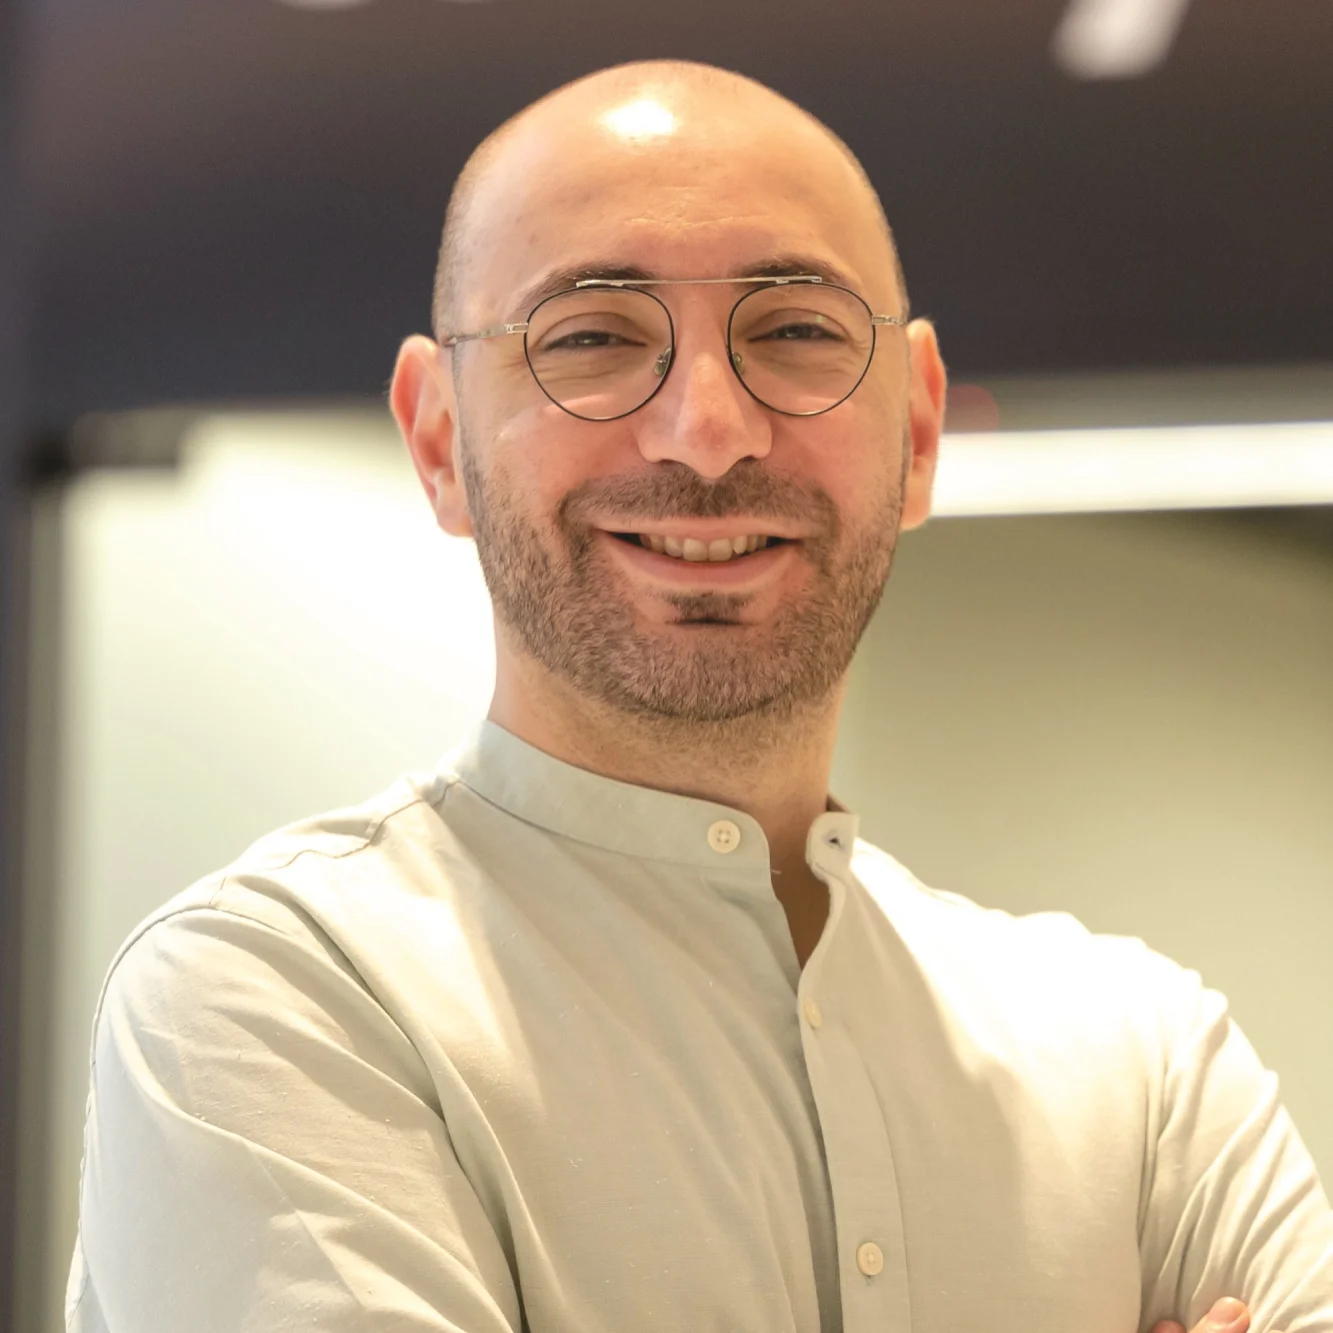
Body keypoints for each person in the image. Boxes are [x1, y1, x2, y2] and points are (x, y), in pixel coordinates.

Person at [66, 60, 1330, 1333]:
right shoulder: (279, 1002)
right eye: (594, 339)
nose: (707, 430)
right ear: (439, 438)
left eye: (794, 331)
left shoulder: (1145, 1057)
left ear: (920, 430)